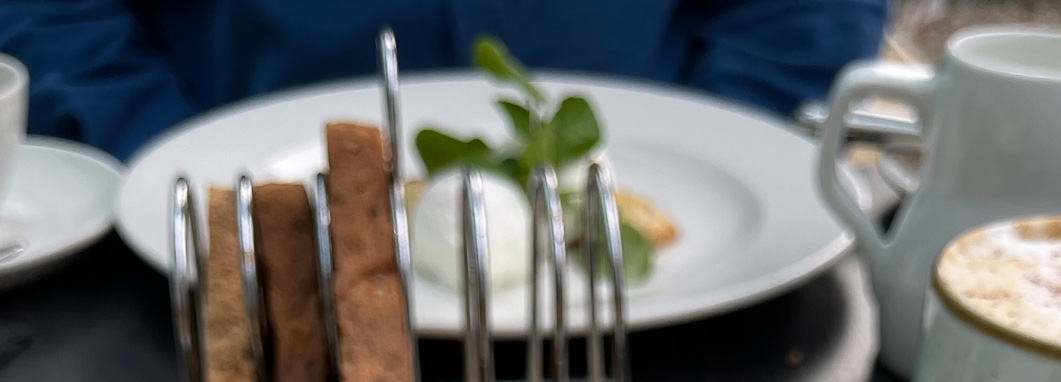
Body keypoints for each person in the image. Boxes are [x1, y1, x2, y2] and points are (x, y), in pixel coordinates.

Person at [0, 0, 887, 161]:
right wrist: (159, 163)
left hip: (675, 292)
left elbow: (802, 13)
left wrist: (711, 170)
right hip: (198, 283)